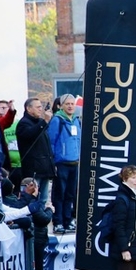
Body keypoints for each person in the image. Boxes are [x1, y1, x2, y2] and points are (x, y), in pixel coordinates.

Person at [48, 94, 82, 233]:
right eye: (67, 104)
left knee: (70, 194)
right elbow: (51, 141)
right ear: (61, 105)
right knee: (60, 193)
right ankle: (59, 221)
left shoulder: (76, 120)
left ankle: (68, 220)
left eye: (72, 104)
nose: (70, 106)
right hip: (61, 162)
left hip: (74, 162)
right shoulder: (57, 120)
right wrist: (53, 161)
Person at [15, 97, 57, 203]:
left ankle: (41, 219)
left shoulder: (40, 123)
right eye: (38, 107)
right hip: (33, 170)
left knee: (42, 200)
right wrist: (45, 121)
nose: (40, 109)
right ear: (29, 109)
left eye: (41, 107)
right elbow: (31, 134)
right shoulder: (23, 124)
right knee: (32, 200)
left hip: (44, 169)